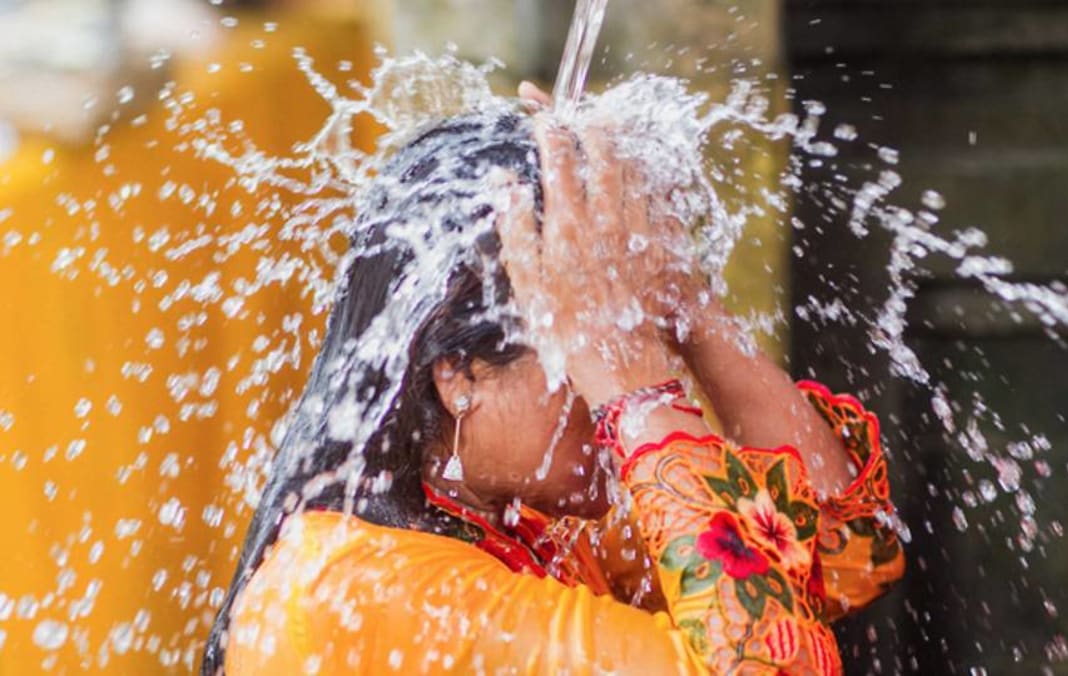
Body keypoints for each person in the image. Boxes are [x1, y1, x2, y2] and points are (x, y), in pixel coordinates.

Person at [204, 83, 904, 675]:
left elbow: (842, 553)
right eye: (585, 346)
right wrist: (638, 392)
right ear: (455, 374)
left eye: (621, 340)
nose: (609, 384)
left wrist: (683, 303)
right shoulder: (362, 588)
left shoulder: (528, 527)